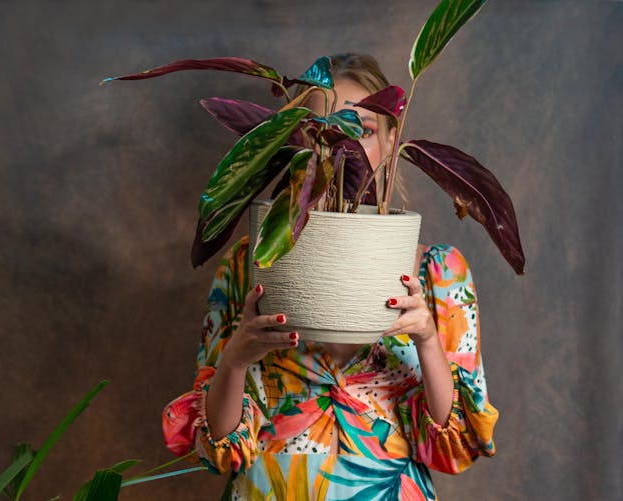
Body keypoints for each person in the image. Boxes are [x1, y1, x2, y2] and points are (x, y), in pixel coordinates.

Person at [162, 53, 499, 500]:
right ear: (300, 139)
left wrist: (427, 339)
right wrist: (236, 359)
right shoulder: (252, 262)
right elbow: (218, 447)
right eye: (325, 130)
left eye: (362, 130)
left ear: (393, 141)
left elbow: (452, 447)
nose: (343, 148)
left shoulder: (439, 275)